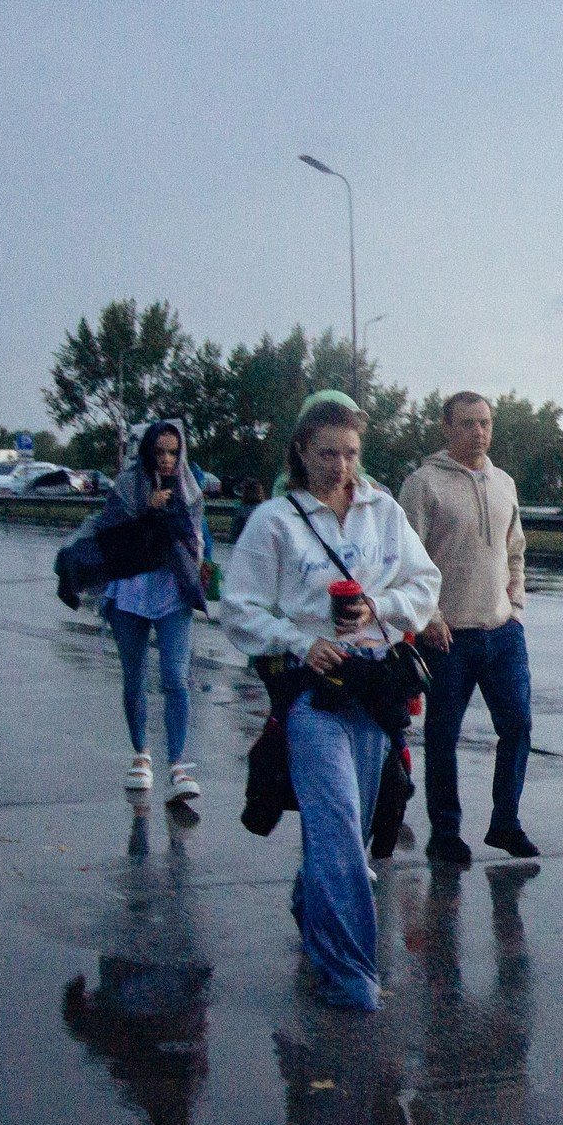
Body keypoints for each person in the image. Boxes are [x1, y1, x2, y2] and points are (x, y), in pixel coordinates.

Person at [221, 392, 441, 1012]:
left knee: (357, 825)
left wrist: (380, 608)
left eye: (350, 454)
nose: (340, 467)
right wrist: (300, 640)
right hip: (312, 692)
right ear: (301, 450)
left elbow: (424, 582)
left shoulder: (382, 511)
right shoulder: (275, 521)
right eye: (327, 453)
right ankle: (350, 972)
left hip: (373, 689)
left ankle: (308, 896)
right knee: (339, 824)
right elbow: (239, 608)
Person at [398, 392, 537, 866]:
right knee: (442, 737)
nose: (478, 432)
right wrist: (428, 618)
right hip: (447, 636)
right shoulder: (424, 484)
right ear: (446, 427)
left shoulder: (504, 484)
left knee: (517, 726)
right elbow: (406, 560)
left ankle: (505, 824)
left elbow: (514, 549)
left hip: (501, 632)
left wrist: (514, 605)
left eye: (485, 423)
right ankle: (446, 831)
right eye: (467, 424)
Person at [103, 420, 211, 802]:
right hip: (130, 591)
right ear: (147, 451)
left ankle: (178, 765)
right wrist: (145, 512)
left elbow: (196, 538)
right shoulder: (127, 486)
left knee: (175, 679)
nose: (166, 460)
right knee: (134, 678)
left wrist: (201, 563)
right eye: (159, 452)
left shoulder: (189, 489)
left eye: (173, 452)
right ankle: (141, 754)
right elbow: (108, 533)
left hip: (172, 592)